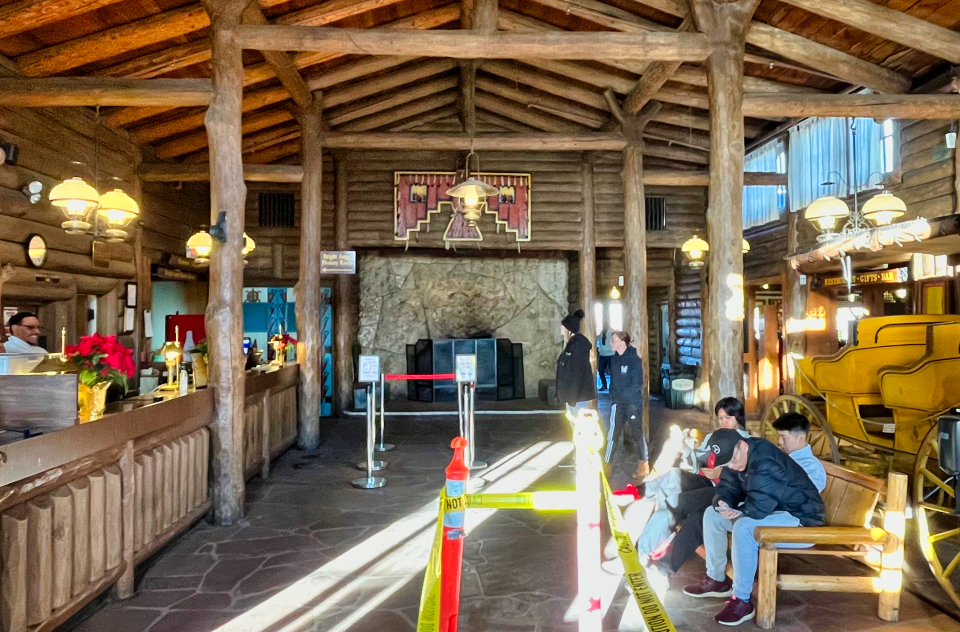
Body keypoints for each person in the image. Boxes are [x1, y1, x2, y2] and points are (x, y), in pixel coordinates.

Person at [682, 429, 826, 626]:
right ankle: (716, 579)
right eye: (726, 463)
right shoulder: (735, 455)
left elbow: (759, 507)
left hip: (802, 519)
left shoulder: (766, 460)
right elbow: (727, 487)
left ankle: (742, 600)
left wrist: (740, 512)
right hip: (774, 511)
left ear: (743, 445)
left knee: (744, 527)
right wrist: (723, 502)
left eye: (732, 460)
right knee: (712, 514)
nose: (731, 466)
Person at [645, 398, 753, 574]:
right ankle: (654, 536)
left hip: (728, 491)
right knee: (672, 476)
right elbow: (697, 463)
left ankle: (659, 550)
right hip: (707, 482)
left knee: (683, 507)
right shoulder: (713, 437)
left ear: (738, 418)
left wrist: (723, 474)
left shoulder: (746, 442)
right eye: (720, 418)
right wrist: (687, 449)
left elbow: (746, 477)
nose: (724, 422)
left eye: (728, 418)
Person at [605, 331, 647, 479]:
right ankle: (607, 463)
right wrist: (613, 395)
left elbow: (638, 383)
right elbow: (614, 380)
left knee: (637, 433)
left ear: (622, 342)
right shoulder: (614, 358)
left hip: (632, 403)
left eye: (614, 341)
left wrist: (623, 396)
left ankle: (643, 464)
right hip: (618, 403)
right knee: (612, 434)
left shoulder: (634, 359)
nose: (611, 343)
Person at [555, 309, 596, 416]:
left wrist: (572, 397)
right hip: (574, 394)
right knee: (576, 425)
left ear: (569, 329)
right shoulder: (571, 345)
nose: (561, 328)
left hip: (577, 395)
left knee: (579, 425)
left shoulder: (576, 346)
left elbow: (576, 373)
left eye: (563, 326)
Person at [773, 412, 826, 492]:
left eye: (784, 437)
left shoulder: (811, 468)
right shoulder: (785, 458)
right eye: (779, 436)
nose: (780, 442)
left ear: (800, 438)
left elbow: (802, 497)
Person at [596, 325, 615, 392]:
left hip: (611, 354)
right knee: (600, 370)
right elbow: (597, 339)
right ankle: (604, 385)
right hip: (602, 354)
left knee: (612, 371)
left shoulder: (612, 332)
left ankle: (612, 386)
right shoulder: (601, 333)